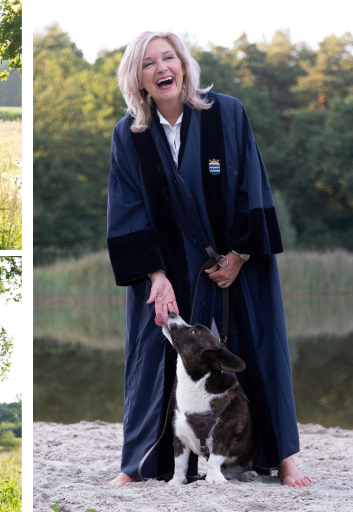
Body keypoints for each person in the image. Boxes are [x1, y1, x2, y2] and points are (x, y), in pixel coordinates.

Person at [104, 31, 311, 488]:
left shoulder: (228, 114)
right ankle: (137, 464)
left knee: (259, 349)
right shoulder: (130, 136)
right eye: (148, 63)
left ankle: (283, 458)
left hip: (235, 262)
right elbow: (127, 211)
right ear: (136, 79)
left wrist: (239, 255)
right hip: (166, 268)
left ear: (183, 65)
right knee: (151, 357)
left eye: (168, 58)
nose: (161, 68)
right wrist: (156, 275)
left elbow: (253, 186)